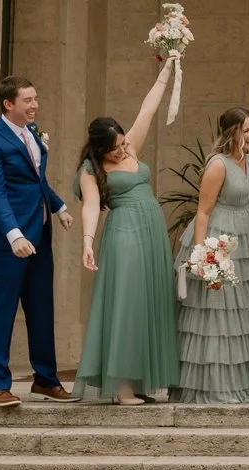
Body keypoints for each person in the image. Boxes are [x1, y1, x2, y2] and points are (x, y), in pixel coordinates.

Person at [74, 59, 181, 404]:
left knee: (146, 303)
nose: (122, 149)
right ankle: (120, 388)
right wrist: (87, 242)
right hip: (124, 233)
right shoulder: (91, 169)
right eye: (115, 147)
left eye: (122, 142)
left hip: (151, 231)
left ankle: (136, 382)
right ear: (101, 148)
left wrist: (169, 69)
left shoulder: (130, 146)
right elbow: (90, 206)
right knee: (125, 304)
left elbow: (148, 109)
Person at [0, 76, 75, 408]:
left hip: (40, 234)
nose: (35, 105)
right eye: (28, 100)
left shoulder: (31, 134)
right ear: (9, 104)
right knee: (2, 309)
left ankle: (45, 379)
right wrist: (13, 233)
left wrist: (58, 206)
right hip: (11, 239)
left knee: (41, 306)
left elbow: (36, 179)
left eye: (35, 99)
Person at [173, 105, 249, 403]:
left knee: (237, 315)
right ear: (231, 133)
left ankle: (237, 384)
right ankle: (212, 388)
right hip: (216, 240)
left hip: (242, 240)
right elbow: (202, 212)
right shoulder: (218, 165)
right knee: (215, 316)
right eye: (246, 130)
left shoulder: (248, 159)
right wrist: (201, 255)